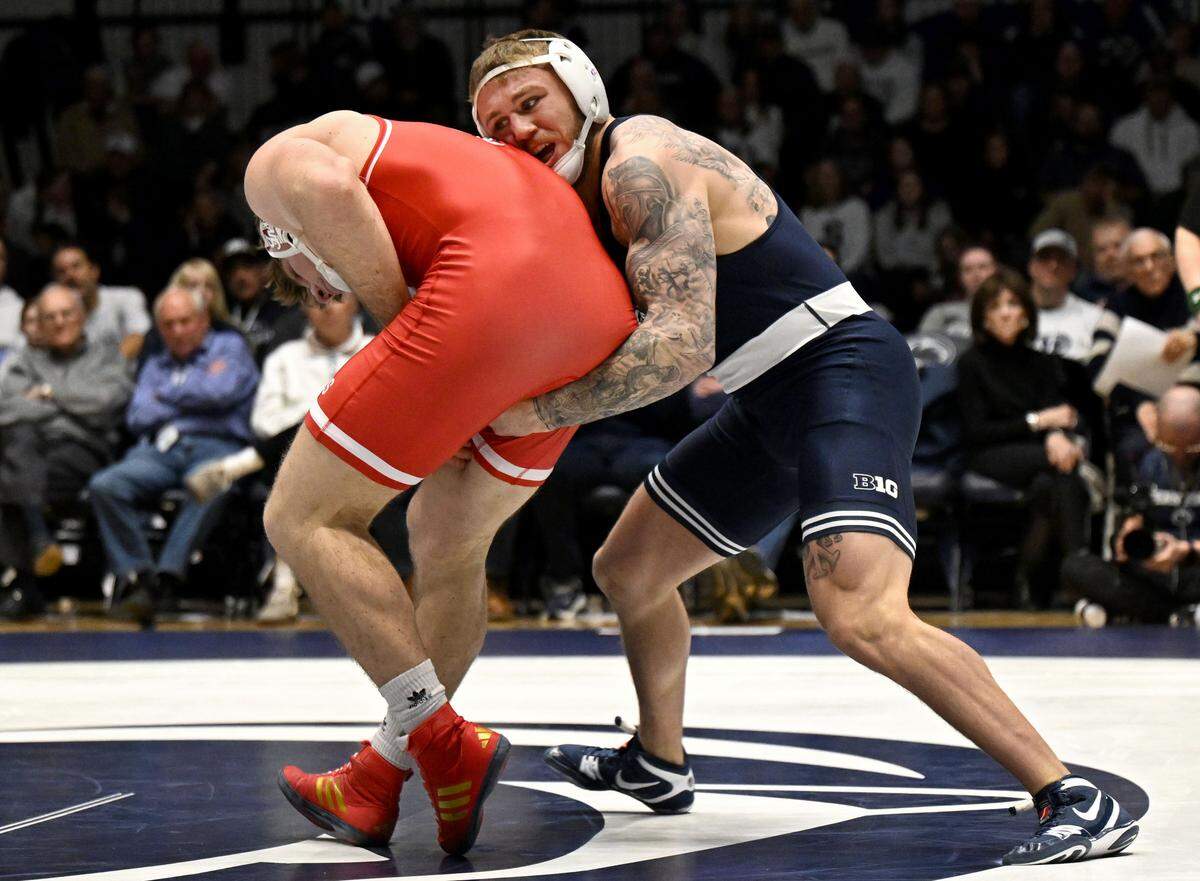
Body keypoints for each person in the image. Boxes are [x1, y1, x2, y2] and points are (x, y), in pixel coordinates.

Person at [471, 29, 1138, 865]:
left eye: (529, 104)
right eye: (495, 125)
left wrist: (532, 410)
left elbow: (675, 350)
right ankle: (659, 760)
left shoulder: (639, 162)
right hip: (769, 397)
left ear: (579, 90)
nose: (518, 131)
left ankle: (1069, 791)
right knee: (628, 568)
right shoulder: (574, 200)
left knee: (862, 613)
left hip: (840, 367)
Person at [243, 110, 636, 854]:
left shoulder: (273, 171)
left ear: (280, 240)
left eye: (312, 284)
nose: (327, 296)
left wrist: (404, 328)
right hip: (591, 318)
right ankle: (379, 778)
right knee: (448, 540)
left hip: (489, 290)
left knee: (304, 517)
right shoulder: (444, 157)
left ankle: (443, 738)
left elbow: (317, 183)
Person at [185, 292, 373, 623]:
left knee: (325, 422)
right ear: (304, 310)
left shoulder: (379, 349)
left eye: (337, 299)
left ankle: (231, 470)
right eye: (317, 301)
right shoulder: (285, 357)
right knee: (315, 431)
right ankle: (284, 584)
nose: (326, 307)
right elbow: (263, 421)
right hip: (295, 459)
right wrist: (317, 419)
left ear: (355, 304)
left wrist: (319, 416)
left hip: (366, 454)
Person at [87, 285, 259, 626]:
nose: (177, 331)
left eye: (185, 321)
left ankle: (168, 575)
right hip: (161, 449)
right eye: (168, 324)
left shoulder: (231, 346)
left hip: (219, 444)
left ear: (203, 318)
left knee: (211, 483)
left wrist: (167, 397)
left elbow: (220, 393)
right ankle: (140, 576)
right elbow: (137, 416)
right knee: (105, 485)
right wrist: (193, 394)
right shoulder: (155, 360)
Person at [956, 269, 1091, 609]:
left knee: (1052, 483)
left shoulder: (1042, 362)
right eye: (995, 306)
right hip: (986, 453)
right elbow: (977, 431)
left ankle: (1029, 583)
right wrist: (1040, 425)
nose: (1005, 312)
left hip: (1037, 453)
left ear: (1026, 313)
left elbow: (1057, 413)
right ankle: (1082, 577)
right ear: (982, 317)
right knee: (1061, 467)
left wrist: (1057, 433)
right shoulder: (971, 363)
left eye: (1013, 304)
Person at [0, 285, 132, 619]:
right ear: (39, 324)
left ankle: (24, 581)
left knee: (9, 473)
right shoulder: (26, 359)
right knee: (18, 445)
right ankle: (38, 546)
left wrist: (48, 393)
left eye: (66, 314)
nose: (59, 322)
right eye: (50, 317)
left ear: (83, 316)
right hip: (30, 450)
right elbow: (6, 407)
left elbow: (106, 403)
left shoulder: (107, 355)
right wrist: (69, 406)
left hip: (83, 450)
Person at [1062, 384, 1200, 627]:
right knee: (1076, 566)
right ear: (1156, 431)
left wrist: (1187, 550)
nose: (1178, 455)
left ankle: (1136, 612)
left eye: (1190, 449)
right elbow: (1131, 518)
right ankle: (1178, 614)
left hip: (1195, 569)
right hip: (1155, 576)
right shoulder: (1142, 461)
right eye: (1169, 446)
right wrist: (1125, 539)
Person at [1090, 228, 1199, 478]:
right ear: (1127, 270)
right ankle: (1136, 514)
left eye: (1157, 256)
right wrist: (1139, 403)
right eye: (1138, 261)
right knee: (1132, 449)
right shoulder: (1117, 305)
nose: (1149, 267)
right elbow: (1096, 366)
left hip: (1195, 405)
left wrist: (1194, 339)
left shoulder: (1194, 298)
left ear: (1172, 260)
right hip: (1139, 410)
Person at [51, 243, 150, 360]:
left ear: (94, 271)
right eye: (61, 272)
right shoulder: (55, 314)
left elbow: (139, 336)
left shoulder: (127, 297)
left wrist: (103, 371)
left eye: (76, 266)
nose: (70, 276)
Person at [1026, 229, 1101, 365]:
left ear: (1073, 270)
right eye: (1045, 257)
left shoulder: (1094, 318)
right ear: (1031, 266)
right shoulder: (1011, 315)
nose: (1053, 265)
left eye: (1062, 259)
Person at [917, 244, 995, 340]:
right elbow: (922, 348)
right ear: (960, 277)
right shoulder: (940, 313)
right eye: (968, 270)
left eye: (982, 267)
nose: (976, 275)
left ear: (995, 270)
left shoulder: (1013, 312)